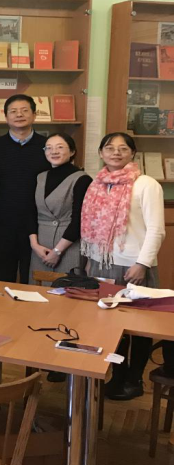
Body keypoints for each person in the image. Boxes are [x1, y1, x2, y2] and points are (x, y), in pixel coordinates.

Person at [82, 132, 165, 401]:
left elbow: (156, 230)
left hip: (134, 267)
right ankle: (117, 374)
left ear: (132, 153)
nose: (116, 153)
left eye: (122, 148)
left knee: (139, 327)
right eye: (109, 148)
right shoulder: (97, 184)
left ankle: (135, 379)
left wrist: (142, 263)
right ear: (101, 153)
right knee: (109, 325)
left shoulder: (146, 184)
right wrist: (90, 261)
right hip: (102, 265)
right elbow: (93, 228)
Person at [0, 94, 48, 283]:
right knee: (0, 278)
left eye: (25, 110)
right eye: (13, 111)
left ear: (34, 115)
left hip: (38, 225)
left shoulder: (48, 147)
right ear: (5, 116)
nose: (19, 115)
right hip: (0, 226)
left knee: (33, 280)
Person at [28, 133, 92, 277]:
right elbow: (31, 212)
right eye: (49, 148)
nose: (54, 151)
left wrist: (57, 251)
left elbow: (79, 221)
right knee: (37, 286)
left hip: (68, 245)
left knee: (66, 287)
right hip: (40, 247)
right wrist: (34, 245)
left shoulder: (82, 179)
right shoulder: (39, 177)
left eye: (60, 147)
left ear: (72, 151)